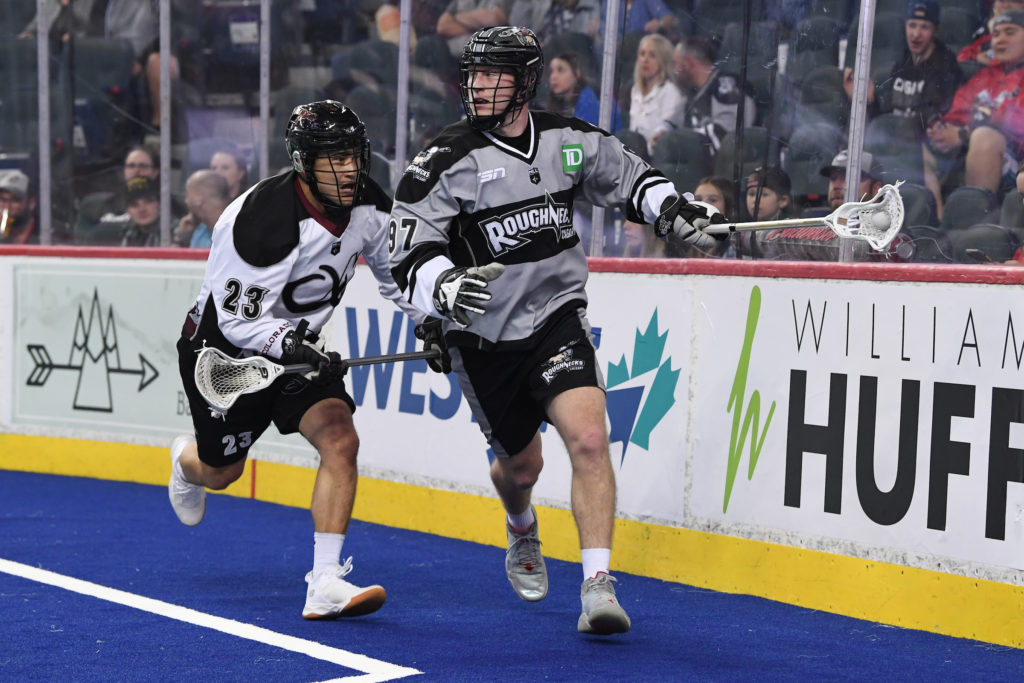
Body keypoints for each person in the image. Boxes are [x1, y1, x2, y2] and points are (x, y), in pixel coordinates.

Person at [387, 26, 724, 635]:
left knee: (591, 442)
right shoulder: (443, 160)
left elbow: (631, 179)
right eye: (474, 75)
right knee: (521, 468)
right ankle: (521, 527)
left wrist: (674, 210)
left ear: (525, 82)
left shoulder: (567, 141)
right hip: (485, 339)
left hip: (556, 317)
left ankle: (597, 584)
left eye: (494, 76)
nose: (479, 87)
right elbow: (408, 249)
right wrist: (442, 288)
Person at [169, 100, 425, 620]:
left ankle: (324, 582)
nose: (350, 169)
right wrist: (298, 349)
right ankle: (184, 462)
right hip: (225, 356)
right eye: (334, 157)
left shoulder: (370, 206)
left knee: (340, 437)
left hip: (296, 351)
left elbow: (394, 275)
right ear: (304, 162)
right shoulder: (258, 222)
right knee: (222, 473)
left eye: (354, 155)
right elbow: (237, 321)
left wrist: (432, 318)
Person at [843, 0, 964, 214]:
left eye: (924, 27)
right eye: (912, 25)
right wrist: (870, 101)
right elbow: (888, 114)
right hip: (897, 140)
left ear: (936, 30)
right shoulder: (902, 62)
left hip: (928, 144)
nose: (916, 34)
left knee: (922, 158)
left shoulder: (946, 65)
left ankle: (935, 220)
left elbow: (935, 116)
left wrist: (899, 130)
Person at [927, 8, 1024, 196]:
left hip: (1016, 162)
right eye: (996, 34)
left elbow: (1016, 123)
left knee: (984, 138)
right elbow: (957, 112)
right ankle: (934, 217)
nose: (1000, 39)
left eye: (1010, 32)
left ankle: (975, 214)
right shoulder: (985, 75)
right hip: (967, 150)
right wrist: (942, 129)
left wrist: (965, 133)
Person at [673, 36, 756, 156]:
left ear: (689, 64)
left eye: (676, 63)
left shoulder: (725, 85)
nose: (674, 70)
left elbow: (728, 135)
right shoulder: (692, 95)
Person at [629, 33, 687, 149]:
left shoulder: (671, 92)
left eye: (652, 55)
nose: (645, 60)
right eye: (642, 54)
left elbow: (666, 131)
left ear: (663, 61)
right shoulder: (635, 90)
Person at [543, 51, 620, 128]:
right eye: (551, 71)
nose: (553, 77)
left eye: (560, 70)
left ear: (576, 74)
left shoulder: (587, 100)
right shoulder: (559, 102)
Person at [173, 170, 231, 248]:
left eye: (188, 194)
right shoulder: (201, 230)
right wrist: (181, 237)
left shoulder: (236, 230)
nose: (186, 200)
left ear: (198, 199)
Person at [436, 0, 513, 56]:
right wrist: (475, 24)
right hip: (455, 50)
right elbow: (442, 26)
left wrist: (456, 17)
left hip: (487, 51)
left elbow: (494, 19)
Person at [118, 176, 163, 247]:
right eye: (134, 205)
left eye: (148, 202)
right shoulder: (125, 233)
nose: (142, 209)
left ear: (159, 204)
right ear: (127, 210)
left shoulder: (175, 233)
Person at [0, 169, 39, 245]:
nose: (7, 207)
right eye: (3, 200)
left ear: (32, 203)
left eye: (15, 201)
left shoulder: (45, 236)